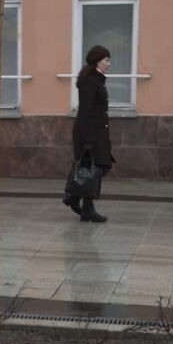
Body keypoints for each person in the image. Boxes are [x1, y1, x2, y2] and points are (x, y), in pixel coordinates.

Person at [67, 45, 113, 223]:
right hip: (89, 133)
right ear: (97, 61)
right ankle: (83, 204)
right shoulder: (90, 82)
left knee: (98, 167)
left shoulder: (97, 80)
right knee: (94, 168)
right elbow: (85, 112)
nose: (109, 64)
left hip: (98, 132)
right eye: (106, 60)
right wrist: (87, 140)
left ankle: (76, 199)